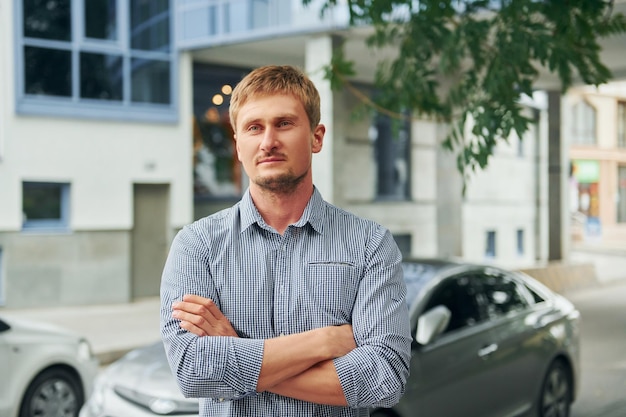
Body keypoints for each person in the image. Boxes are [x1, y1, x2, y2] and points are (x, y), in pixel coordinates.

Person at [160, 64, 412, 417]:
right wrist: (322, 342)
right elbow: (192, 370)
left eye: (284, 123)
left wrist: (234, 350)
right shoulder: (196, 246)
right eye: (253, 128)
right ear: (237, 144)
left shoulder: (370, 245)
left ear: (316, 137)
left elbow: (385, 378)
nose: (268, 142)